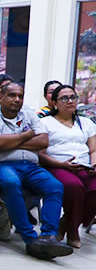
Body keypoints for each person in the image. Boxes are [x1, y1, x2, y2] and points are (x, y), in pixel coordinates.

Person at [0, 82, 72, 260]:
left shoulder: (30, 115)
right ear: (0, 97)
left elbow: (43, 141)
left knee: (55, 186)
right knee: (11, 183)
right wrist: (27, 135)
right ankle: (31, 240)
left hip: (31, 167)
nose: (17, 99)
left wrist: (9, 141)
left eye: (20, 96)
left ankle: (48, 236)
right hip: (2, 166)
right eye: (12, 95)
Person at [35, 84, 96, 249]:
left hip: (84, 166)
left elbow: (93, 149)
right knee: (74, 187)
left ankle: (67, 223)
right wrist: (62, 164)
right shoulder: (45, 123)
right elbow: (40, 153)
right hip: (57, 165)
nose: (70, 101)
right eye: (64, 98)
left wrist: (94, 163)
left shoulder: (86, 122)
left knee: (94, 190)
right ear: (54, 103)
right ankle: (73, 231)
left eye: (73, 97)